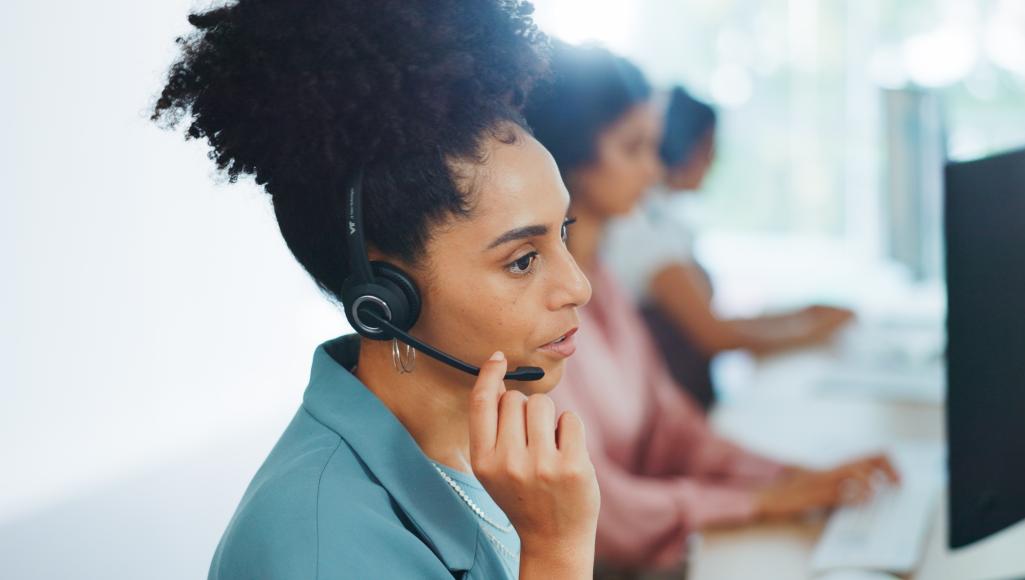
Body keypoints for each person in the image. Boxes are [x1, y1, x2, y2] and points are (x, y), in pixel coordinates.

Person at [152, 2, 600, 578]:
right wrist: (558, 549)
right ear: (384, 299)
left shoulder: (491, 460)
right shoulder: (318, 547)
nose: (579, 286)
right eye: (522, 260)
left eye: (564, 232)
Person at [525, 42, 897, 572]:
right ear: (568, 161)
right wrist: (757, 502)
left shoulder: (602, 278)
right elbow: (605, 509)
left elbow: (670, 423)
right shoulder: (534, 318)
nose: (655, 173)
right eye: (633, 150)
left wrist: (786, 476)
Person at [603, 86, 854, 409]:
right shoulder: (640, 232)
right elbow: (716, 335)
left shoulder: (661, 218)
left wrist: (802, 314)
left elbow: (715, 320)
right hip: (678, 406)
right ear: (681, 146)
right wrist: (814, 332)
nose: (714, 159)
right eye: (708, 147)